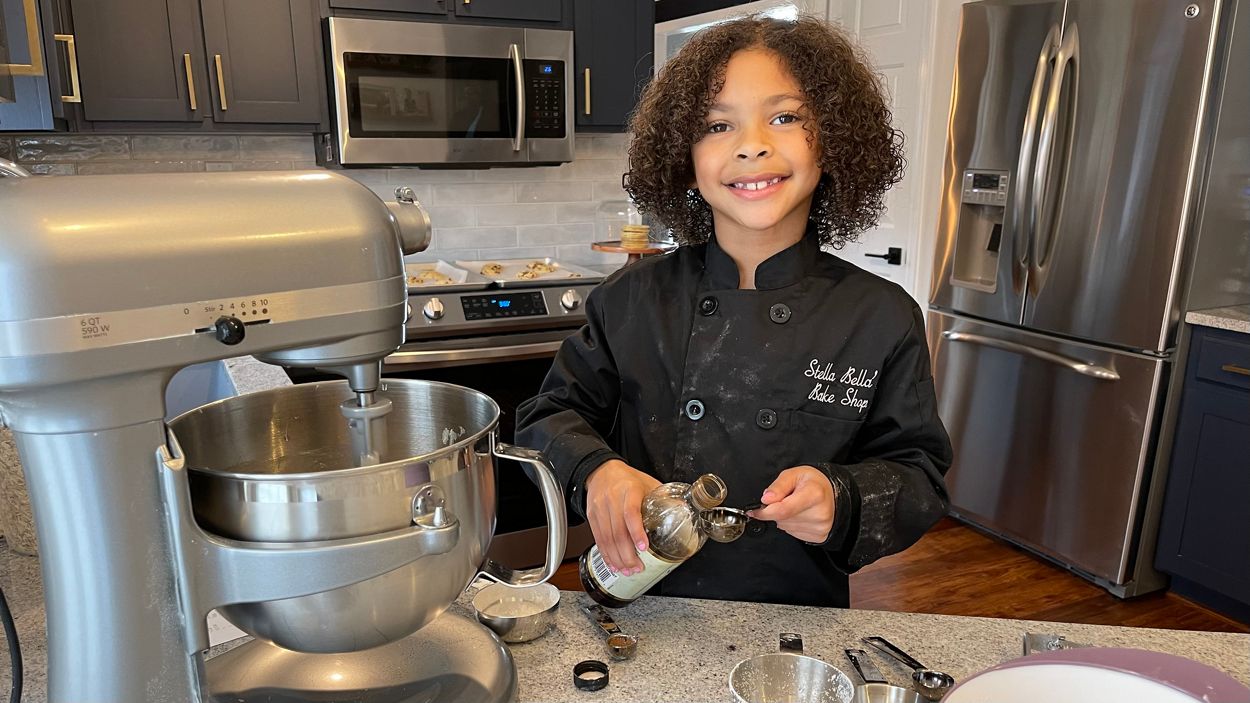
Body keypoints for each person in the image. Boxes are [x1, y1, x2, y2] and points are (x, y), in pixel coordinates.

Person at [515, 14, 952, 607]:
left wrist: (844, 497)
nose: (752, 144)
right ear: (685, 157)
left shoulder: (881, 316)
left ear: (834, 139)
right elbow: (546, 416)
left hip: (794, 620)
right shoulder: (631, 299)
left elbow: (918, 471)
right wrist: (597, 470)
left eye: (785, 117)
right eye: (718, 125)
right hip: (643, 609)